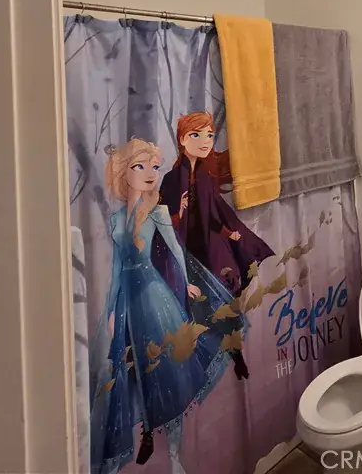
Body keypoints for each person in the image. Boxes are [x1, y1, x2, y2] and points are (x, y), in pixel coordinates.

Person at [89, 139, 235, 474]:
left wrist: (186, 283)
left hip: (155, 296)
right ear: (123, 173)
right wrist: (111, 309)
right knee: (134, 372)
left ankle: (173, 453)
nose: (151, 173)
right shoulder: (116, 220)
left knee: (167, 370)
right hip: (128, 302)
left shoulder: (157, 213)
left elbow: (176, 250)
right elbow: (116, 270)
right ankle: (145, 435)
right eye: (141, 166)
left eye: (155, 167)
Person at [159, 111, 274, 298]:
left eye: (209, 135)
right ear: (182, 139)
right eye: (195, 135)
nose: (205, 141)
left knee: (224, 286)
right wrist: (178, 213)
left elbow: (212, 214)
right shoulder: (172, 179)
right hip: (187, 249)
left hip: (209, 243)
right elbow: (162, 223)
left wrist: (229, 233)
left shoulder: (204, 176)